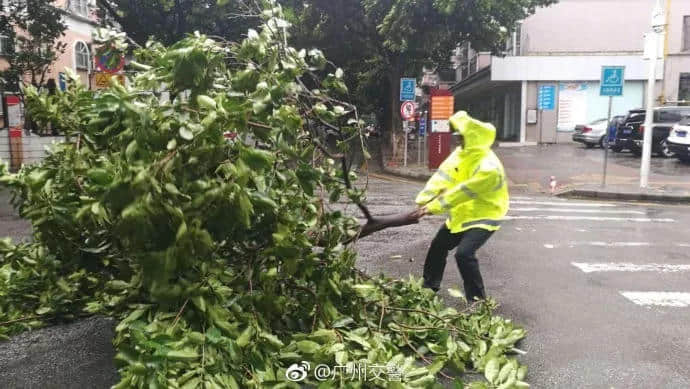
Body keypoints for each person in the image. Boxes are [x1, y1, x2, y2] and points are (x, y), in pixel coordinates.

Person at [413, 111, 509, 302]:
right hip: (463, 215)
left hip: (485, 215)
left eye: (461, 137)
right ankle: (429, 285)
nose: (457, 141)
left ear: (472, 138)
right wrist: (423, 199)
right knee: (438, 245)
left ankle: (478, 300)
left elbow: (463, 192)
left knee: (464, 254)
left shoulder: (489, 167)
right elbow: (443, 175)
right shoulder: (461, 153)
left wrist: (433, 207)